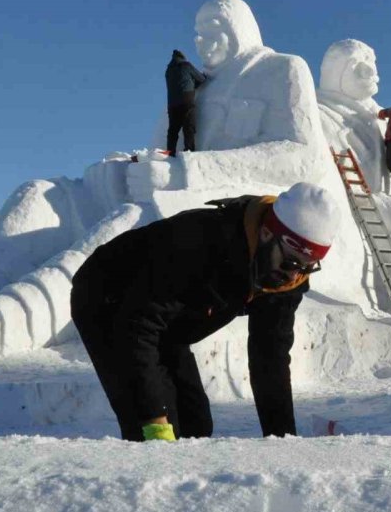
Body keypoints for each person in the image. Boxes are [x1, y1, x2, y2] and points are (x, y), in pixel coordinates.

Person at [70, 182, 340, 442]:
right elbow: (137, 326)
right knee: (155, 431)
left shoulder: (288, 279)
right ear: (267, 233)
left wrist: (282, 440)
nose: (294, 274)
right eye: (292, 261)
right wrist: (153, 422)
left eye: (307, 267)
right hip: (108, 300)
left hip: (168, 320)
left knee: (195, 425)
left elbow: (270, 358)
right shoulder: (199, 243)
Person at [164, 49, 206, 156]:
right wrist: (194, 85)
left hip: (172, 104)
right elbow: (201, 79)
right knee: (188, 127)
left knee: (173, 130)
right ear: (182, 57)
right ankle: (189, 151)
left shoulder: (168, 71)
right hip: (186, 100)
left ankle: (170, 152)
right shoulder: (186, 65)